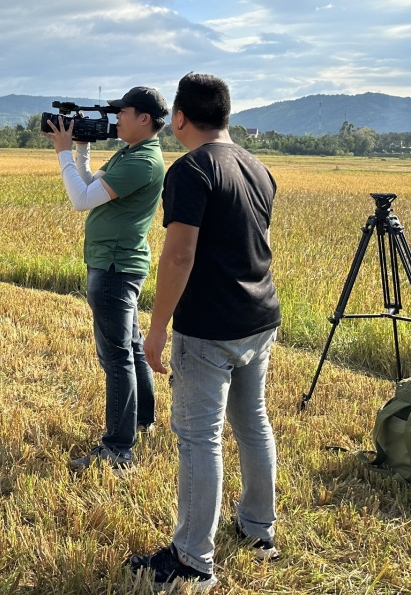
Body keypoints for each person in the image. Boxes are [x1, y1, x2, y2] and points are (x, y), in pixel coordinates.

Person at [128, 73, 281, 592]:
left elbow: (179, 253)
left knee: (199, 440)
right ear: (227, 115)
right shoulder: (258, 168)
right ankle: (260, 530)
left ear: (179, 118)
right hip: (259, 319)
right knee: (253, 423)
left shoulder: (191, 170)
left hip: (210, 328)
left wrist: (156, 328)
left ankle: (193, 559)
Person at [44, 86, 168, 472]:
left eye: (122, 112)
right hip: (116, 263)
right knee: (129, 349)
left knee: (114, 358)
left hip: (114, 267)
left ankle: (117, 448)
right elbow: (88, 187)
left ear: (144, 118)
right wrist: (80, 149)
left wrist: (62, 149)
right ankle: (141, 421)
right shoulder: (130, 153)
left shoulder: (142, 161)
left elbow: (79, 200)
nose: (115, 119)